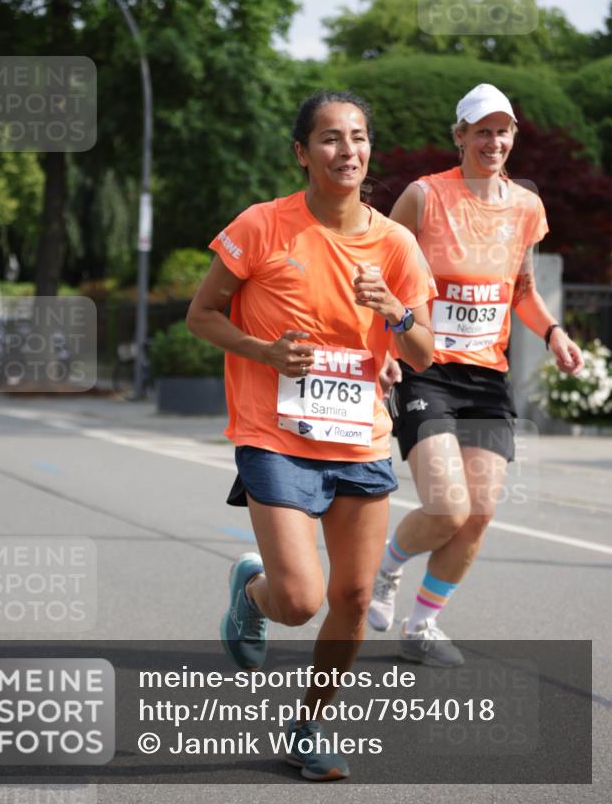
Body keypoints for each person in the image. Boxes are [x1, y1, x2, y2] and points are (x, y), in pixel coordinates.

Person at [186, 90, 435, 780]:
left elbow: (421, 352)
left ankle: (310, 725)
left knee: (352, 598)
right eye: (328, 138)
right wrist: (262, 351)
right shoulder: (263, 226)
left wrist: (392, 312)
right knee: (300, 601)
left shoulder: (395, 244)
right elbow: (201, 315)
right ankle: (254, 591)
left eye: (357, 137)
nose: (346, 150)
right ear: (302, 152)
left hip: (357, 439)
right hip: (275, 435)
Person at [368, 82, 584, 666]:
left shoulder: (525, 207)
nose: (494, 140)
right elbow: (382, 282)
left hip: (487, 377)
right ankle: (385, 570)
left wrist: (554, 332)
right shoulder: (422, 197)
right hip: (426, 368)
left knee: (480, 511)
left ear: (513, 137)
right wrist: (383, 348)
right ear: (459, 136)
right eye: (482, 130)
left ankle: (422, 625)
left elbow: (523, 292)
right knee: (447, 507)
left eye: (503, 130)